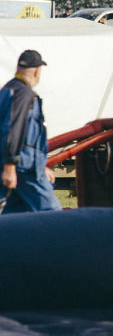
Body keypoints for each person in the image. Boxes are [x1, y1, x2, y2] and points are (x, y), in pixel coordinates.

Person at [0, 50, 61, 214]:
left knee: (13, 217)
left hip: (21, 165)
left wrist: (41, 166)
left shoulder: (8, 90)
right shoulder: (24, 94)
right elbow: (14, 128)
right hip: (25, 168)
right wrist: (10, 165)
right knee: (52, 212)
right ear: (37, 71)